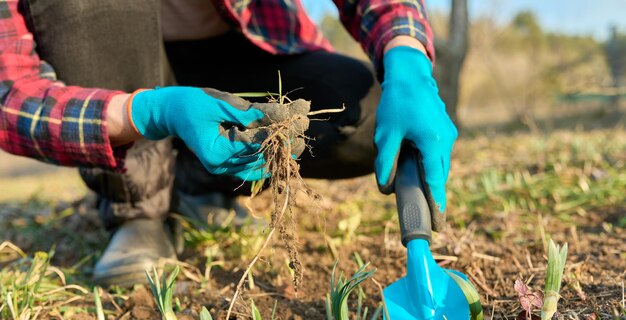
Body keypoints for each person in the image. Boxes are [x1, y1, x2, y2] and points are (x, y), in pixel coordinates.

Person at [0, 0, 457, 287]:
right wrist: (147, 112)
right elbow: (11, 94)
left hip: (241, 49)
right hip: (115, 63)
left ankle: (194, 178)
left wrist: (406, 53)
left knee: (364, 114)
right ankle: (138, 205)